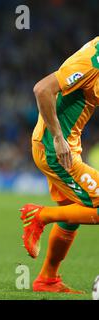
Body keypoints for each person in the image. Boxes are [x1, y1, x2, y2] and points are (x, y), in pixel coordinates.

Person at [20, 36, 99, 293]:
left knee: (73, 213)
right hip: (55, 150)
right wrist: (57, 137)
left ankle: (47, 280)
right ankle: (41, 216)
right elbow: (42, 89)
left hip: (65, 148)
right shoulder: (91, 61)